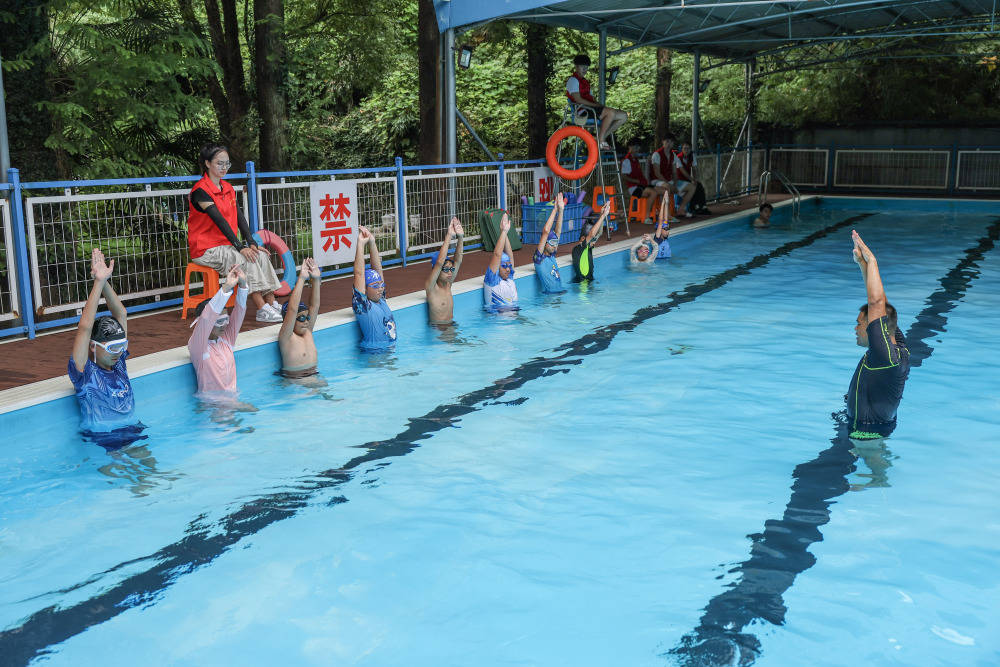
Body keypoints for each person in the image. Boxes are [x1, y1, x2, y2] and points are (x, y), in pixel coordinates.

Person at [188, 144, 283, 323]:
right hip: (206, 249)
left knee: (259, 255)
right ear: (207, 164)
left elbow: (239, 217)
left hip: (227, 245)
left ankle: (272, 303)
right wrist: (240, 247)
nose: (224, 168)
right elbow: (220, 221)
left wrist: (251, 242)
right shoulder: (200, 191)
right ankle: (262, 309)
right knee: (246, 259)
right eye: (219, 163)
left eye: (227, 164)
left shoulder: (228, 188)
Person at [68, 248, 146, 448]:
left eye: (122, 346)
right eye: (113, 348)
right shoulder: (84, 371)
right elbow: (85, 327)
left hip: (130, 428)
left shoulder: (118, 363)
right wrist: (97, 283)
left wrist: (105, 282)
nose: (119, 352)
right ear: (93, 346)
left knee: (150, 474)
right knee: (115, 471)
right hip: (103, 435)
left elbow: (121, 313)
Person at [846, 230, 910, 441]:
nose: (855, 329)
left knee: (876, 473)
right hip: (878, 423)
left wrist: (872, 260)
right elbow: (882, 305)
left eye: (859, 324)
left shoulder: (884, 357)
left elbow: (876, 304)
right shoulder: (897, 347)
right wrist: (862, 265)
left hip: (867, 433)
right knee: (878, 473)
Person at [188, 264, 248, 395]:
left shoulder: (226, 341)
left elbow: (240, 311)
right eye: (220, 321)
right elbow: (207, 317)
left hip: (231, 399)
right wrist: (226, 287)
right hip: (212, 403)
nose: (225, 325)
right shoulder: (198, 347)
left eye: (226, 319)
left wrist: (242, 285)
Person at [566, 54, 628, 149]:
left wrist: (599, 105)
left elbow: (592, 98)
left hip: (591, 109)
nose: (585, 70)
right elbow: (578, 99)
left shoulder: (586, 82)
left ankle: (600, 138)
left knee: (623, 116)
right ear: (576, 66)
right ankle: (601, 140)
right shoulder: (573, 80)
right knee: (610, 112)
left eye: (586, 67)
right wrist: (597, 106)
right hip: (582, 111)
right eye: (583, 67)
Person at [352, 225, 397, 351]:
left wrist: (372, 242)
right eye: (375, 285)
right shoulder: (364, 306)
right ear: (365, 290)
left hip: (389, 351)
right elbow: (359, 274)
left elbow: (378, 270)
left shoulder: (381, 300)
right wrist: (360, 244)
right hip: (375, 355)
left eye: (381, 285)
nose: (381, 288)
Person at [278, 257, 322, 378]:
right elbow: (292, 309)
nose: (306, 321)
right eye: (301, 318)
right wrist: (302, 277)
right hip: (297, 383)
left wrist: (316, 279)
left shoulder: (307, 331)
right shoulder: (287, 337)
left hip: (314, 378)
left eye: (307, 317)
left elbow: (314, 306)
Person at [425, 217, 465, 324]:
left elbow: (458, 261)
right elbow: (439, 263)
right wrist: (449, 235)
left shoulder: (448, 284)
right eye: (446, 269)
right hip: (439, 331)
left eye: (451, 269)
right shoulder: (431, 288)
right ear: (436, 271)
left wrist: (460, 237)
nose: (450, 272)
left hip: (451, 326)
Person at [621, 138, 663, 225]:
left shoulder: (636, 159)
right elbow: (624, 176)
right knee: (653, 193)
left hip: (641, 185)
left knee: (663, 190)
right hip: (633, 188)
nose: (638, 149)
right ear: (630, 147)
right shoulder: (626, 160)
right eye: (635, 147)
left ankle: (661, 214)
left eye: (638, 147)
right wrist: (636, 181)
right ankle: (646, 217)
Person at [532, 192, 567, 294]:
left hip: (561, 293)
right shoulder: (539, 259)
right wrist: (555, 209)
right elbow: (546, 231)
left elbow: (558, 231)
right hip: (551, 297)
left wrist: (561, 210)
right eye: (552, 243)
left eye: (556, 243)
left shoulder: (552, 256)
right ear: (545, 242)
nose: (555, 245)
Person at [483, 214, 519, 312]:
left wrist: (504, 232)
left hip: (512, 320)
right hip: (499, 324)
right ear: (497, 267)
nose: (508, 269)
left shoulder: (509, 278)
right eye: (504, 266)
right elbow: (497, 255)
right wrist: (503, 231)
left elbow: (510, 254)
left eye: (509, 266)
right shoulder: (492, 280)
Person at [572, 200, 611, 283]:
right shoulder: (578, 249)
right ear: (583, 239)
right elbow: (592, 234)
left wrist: (601, 214)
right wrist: (603, 216)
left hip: (589, 282)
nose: (594, 242)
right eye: (591, 240)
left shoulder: (588, 247)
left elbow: (598, 233)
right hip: (582, 285)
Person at [650, 134, 680, 224]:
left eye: (670, 141)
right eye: (666, 141)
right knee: (667, 187)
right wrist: (668, 183)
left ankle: (681, 211)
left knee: (683, 187)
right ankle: (667, 215)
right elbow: (657, 173)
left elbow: (674, 172)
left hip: (666, 180)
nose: (668, 143)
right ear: (662, 142)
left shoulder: (673, 155)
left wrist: (675, 183)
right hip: (656, 180)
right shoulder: (657, 154)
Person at [672, 141, 699, 218]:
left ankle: (694, 207)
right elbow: (682, 171)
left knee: (697, 187)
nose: (686, 150)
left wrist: (695, 179)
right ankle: (677, 208)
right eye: (684, 148)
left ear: (690, 149)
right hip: (679, 180)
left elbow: (694, 169)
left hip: (687, 180)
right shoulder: (678, 157)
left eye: (688, 148)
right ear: (682, 149)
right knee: (681, 190)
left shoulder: (692, 156)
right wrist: (692, 179)